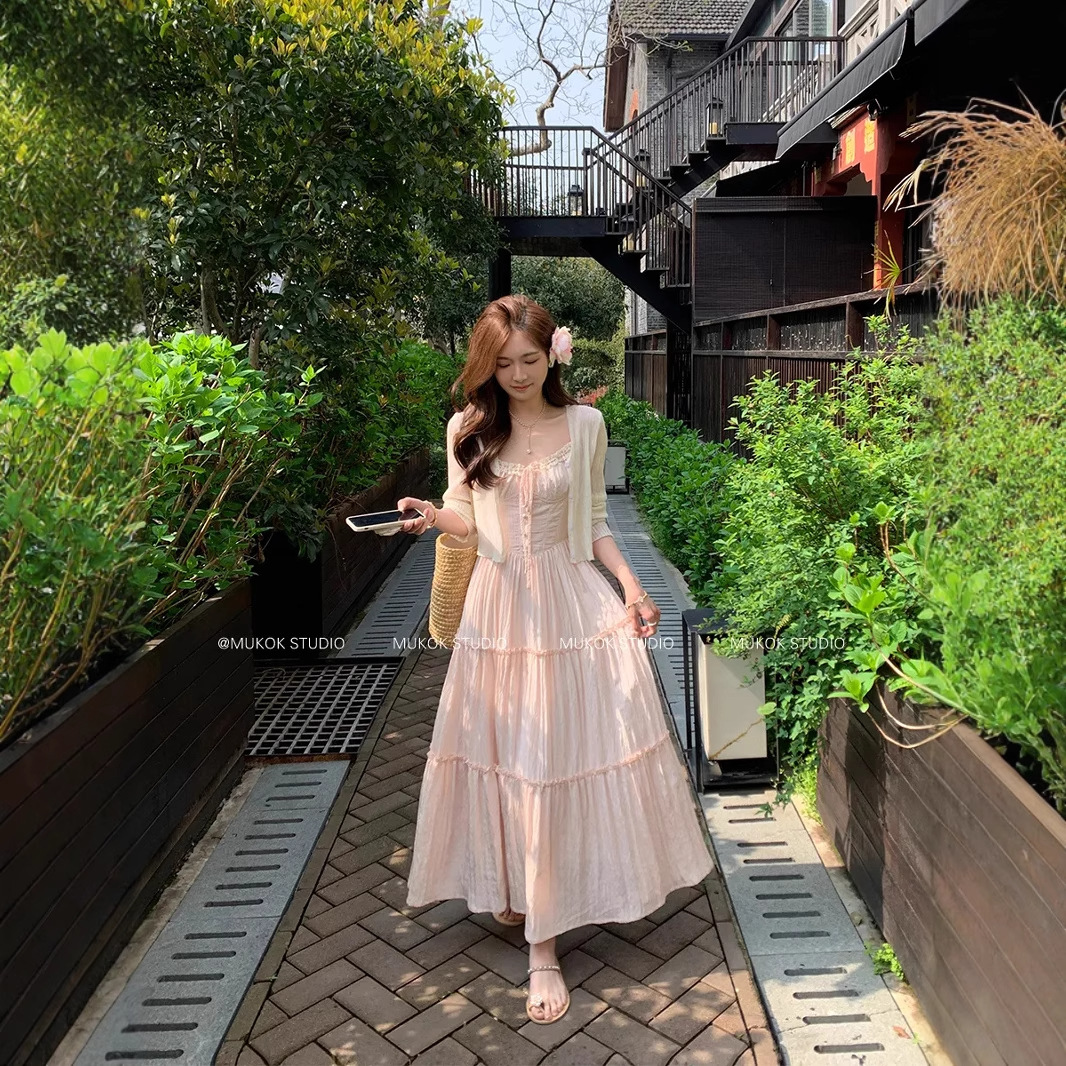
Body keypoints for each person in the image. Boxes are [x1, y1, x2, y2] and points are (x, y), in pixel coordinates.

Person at [397, 295, 713, 1025]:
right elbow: (464, 518)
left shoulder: (586, 425)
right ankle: (520, 891)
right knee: (509, 757)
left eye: (529, 361)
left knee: (549, 760)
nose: (517, 375)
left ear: (552, 356)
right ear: (485, 365)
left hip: (571, 605)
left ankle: (543, 943)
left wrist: (631, 586)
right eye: (503, 364)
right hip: (498, 609)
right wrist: (431, 518)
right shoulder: (467, 428)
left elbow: (595, 522)